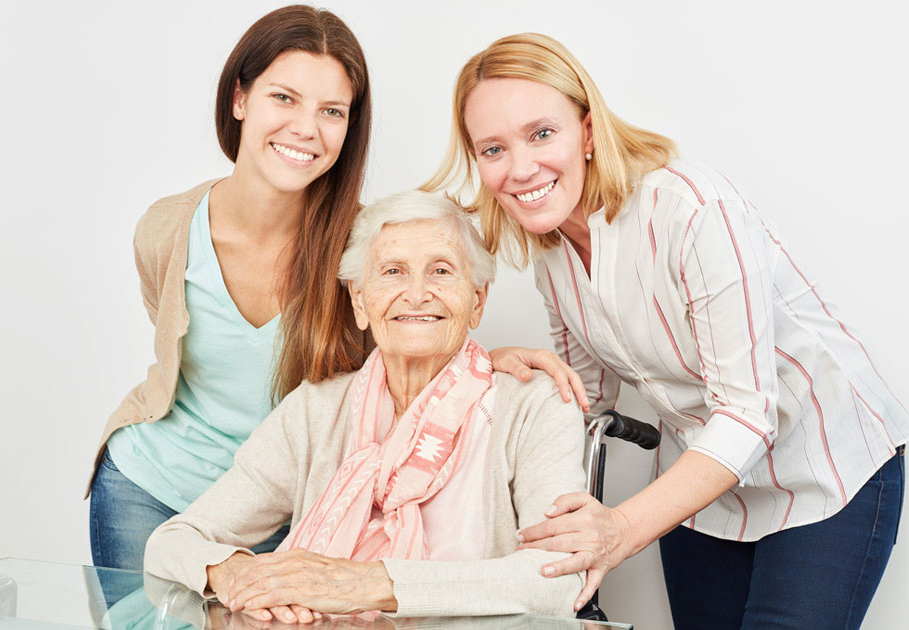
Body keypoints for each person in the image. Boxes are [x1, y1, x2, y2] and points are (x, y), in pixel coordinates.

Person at [425, 32, 909, 629]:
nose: (521, 169)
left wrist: (620, 529)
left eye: (541, 133)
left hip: (824, 468)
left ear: (589, 131)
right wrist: (491, 369)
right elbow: (589, 396)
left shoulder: (691, 210)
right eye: (493, 148)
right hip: (705, 490)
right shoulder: (551, 256)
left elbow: (748, 413)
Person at [86, 7, 579, 575]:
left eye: (332, 111)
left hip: (301, 498)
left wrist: (484, 362)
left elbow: (410, 332)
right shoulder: (167, 229)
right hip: (150, 487)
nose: (306, 128)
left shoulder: (364, 248)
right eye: (284, 98)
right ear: (239, 99)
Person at [143, 191, 586, 623]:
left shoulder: (535, 405)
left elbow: (558, 576)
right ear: (359, 300)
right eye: (392, 271)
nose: (416, 293)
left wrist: (368, 585)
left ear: (477, 301)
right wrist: (237, 572)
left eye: (441, 270)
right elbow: (173, 541)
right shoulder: (316, 410)